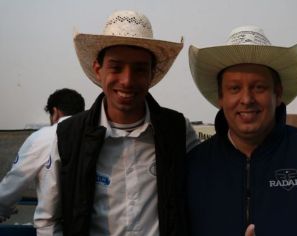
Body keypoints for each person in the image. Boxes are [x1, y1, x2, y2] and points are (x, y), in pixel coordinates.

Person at [186, 25, 297, 236]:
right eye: (235, 88)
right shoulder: (193, 166)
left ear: (278, 94)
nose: (247, 99)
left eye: (259, 87)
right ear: (221, 98)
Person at [50, 10, 199, 235]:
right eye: (116, 67)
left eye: (139, 69)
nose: (127, 81)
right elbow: (49, 218)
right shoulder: (69, 135)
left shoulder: (177, 131)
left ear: (151, 74)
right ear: (98, 70)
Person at [0, 88, 85, 235]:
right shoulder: (94, 136)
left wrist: (3, 209)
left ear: (55, 112)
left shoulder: (42, 137)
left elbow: (15, 180)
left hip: (52, 230)